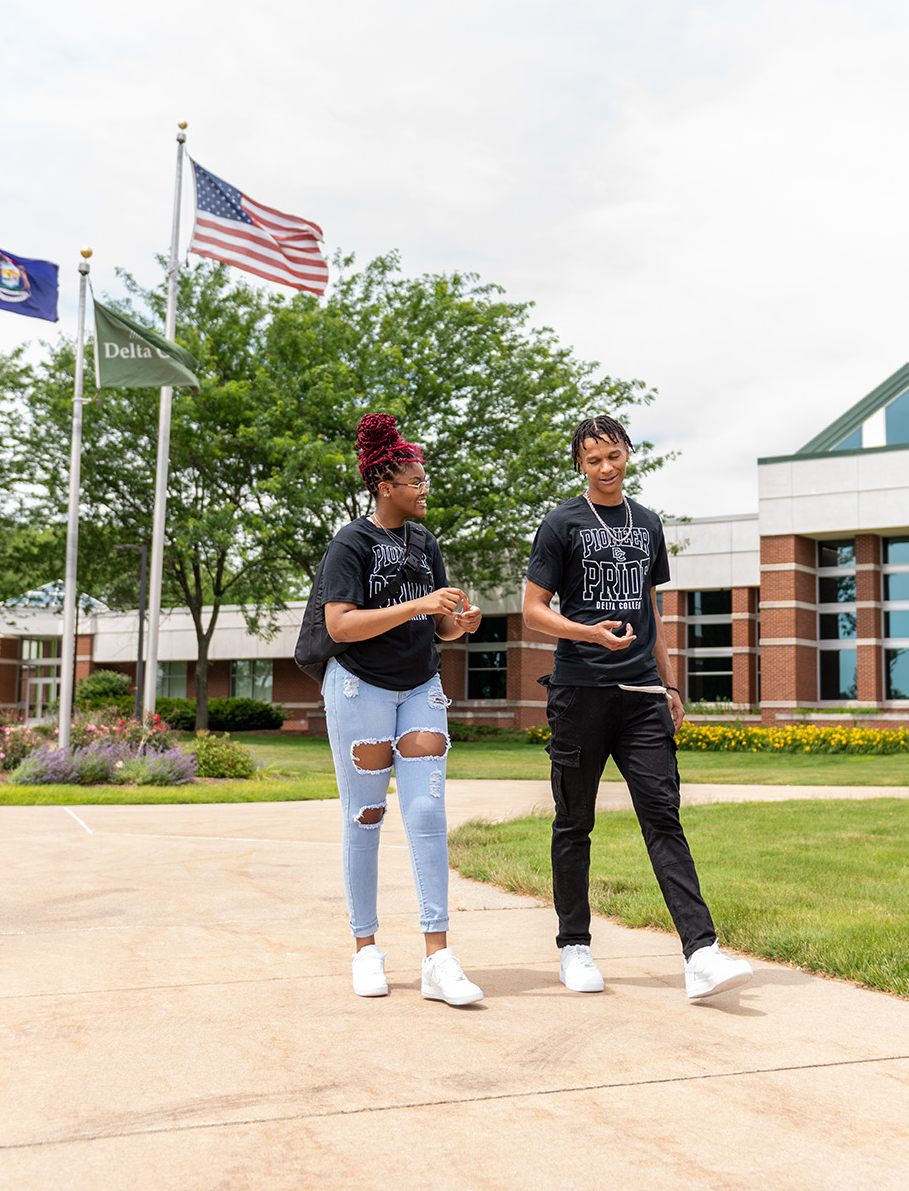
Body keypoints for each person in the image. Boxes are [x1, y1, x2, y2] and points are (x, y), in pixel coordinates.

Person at [523, 415, 754, 1000]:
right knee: (575, 822)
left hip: (642, 696)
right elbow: (533, 610)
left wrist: (672, 687)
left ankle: (701, 954)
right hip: (579, 693)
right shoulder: (560, 524)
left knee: (664, 815)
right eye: (595, 459)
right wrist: (590, 634)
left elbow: (651, 613)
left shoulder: (647, 524)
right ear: (580, 463)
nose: (607, 467)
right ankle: (574, 946)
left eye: (615, 455)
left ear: (628, 454)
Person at [319, 413, 485, 1006]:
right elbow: (340, 623)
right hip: (360, 687)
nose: (424, 488)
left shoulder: (425, 542)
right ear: (385, 483)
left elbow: (437, 625)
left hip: (420, 688)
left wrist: (456, 624)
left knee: (426, 815)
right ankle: (365, 949)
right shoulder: (352, 542)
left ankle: (438, 960)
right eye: (415, 480)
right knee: (365, 817)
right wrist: (419, 603)